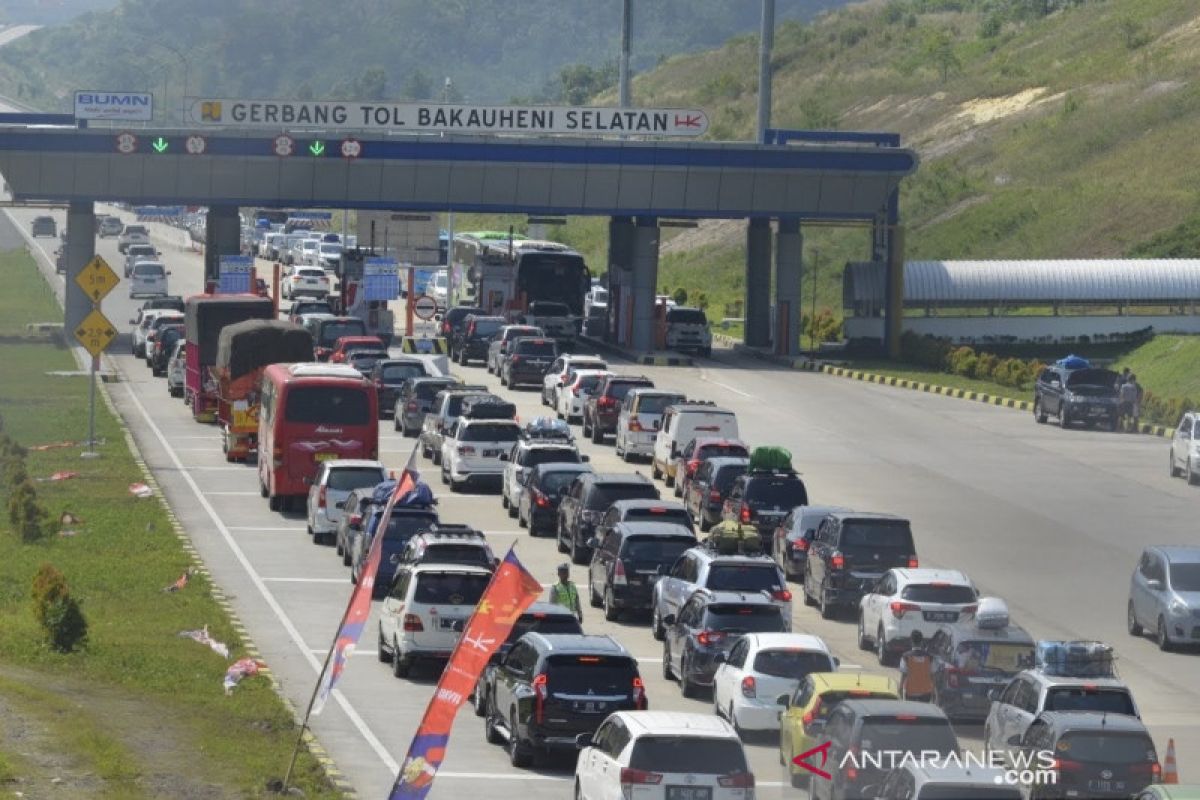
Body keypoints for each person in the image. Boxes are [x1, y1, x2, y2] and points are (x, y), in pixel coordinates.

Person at [898, 630, 934, 702]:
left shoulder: (906, 657)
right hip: (926, 692)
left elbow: (904, 674)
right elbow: (932, 675)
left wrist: (900, 687)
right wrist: (934, 691)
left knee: (912, 712)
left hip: (911, 692)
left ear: (911, 641)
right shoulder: (929, 657)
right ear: (922, 642)